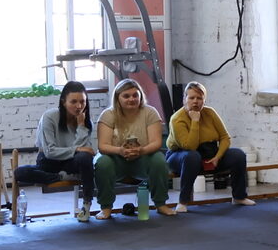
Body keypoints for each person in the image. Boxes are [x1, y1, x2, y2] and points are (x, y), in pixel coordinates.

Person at [92, 78, 175, 219]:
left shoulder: (150, 112)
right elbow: (103, 146)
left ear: (140, 96)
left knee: (159, 160)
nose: (131, 99)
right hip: (116, 159)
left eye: (135, 95)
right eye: (126, 96)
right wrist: (120, 151)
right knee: (102, 162)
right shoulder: (108, 115)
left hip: (142, 158)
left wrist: (141, 151)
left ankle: (161, 204)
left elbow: (156, 142)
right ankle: (106, 207)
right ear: (118, 98)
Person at [165, 81, 254, 210]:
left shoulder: (210, 113)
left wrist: (217, 157)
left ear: (204, 100)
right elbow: (190, 146)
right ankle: (183, 202)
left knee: (238, 155)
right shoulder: (177, 119)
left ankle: (239, 197)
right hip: (180, 155)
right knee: (192, 156)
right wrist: (195, 121)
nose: (195, 101)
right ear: (184, 99)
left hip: (209, 153)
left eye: (199, 98)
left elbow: (225, 138)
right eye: (191, 98)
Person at [15, 80, 95, 190]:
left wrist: (81, 126)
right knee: (21, 172)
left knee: (85, 158)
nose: (79, 106)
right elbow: (49, 152)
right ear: (63, 102)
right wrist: (76, 149)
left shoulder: (87, 123)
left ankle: (88, 197)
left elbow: (83, 152)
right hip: (49, 162)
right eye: (73, 102)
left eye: (82, 102)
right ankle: (60, 177)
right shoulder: (50, 116)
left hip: (70, 162)